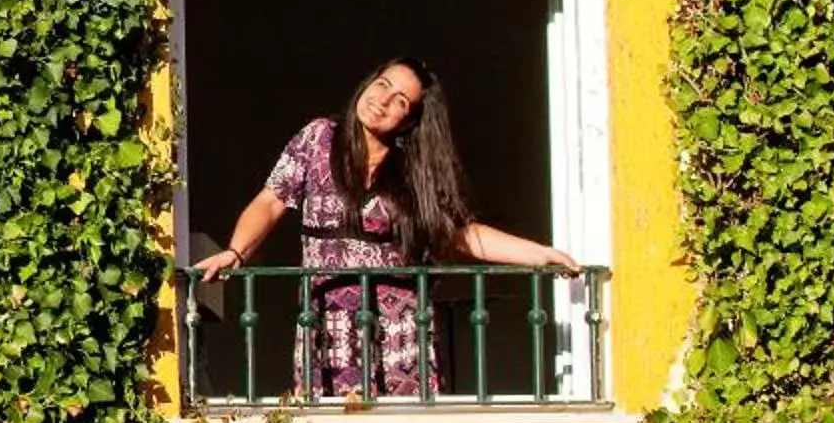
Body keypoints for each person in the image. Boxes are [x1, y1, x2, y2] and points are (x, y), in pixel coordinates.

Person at [192, 59, 578, 399]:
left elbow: (460, 233)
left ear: (410, 119)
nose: (383, 99)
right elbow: (271, 200)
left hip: (401, 332)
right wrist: (237, 251)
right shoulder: (318, 138)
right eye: (382, 84)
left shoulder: (413, 171)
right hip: (328, 322)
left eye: (401, 100)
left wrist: (538, 254)